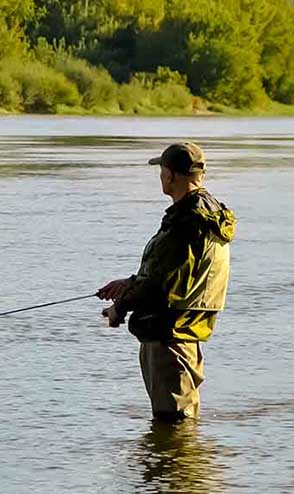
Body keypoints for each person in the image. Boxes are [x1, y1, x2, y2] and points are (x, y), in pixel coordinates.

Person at [98, 142, 235, 422]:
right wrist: (130, 282)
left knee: (174, 426)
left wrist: (118, 308)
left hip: (169, 338)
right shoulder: (208, 214)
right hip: (184, 333)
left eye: (162, 171)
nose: (160, 177)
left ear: (171, 175)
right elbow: (175, 273)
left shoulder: (186, 222)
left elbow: (159, 287)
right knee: (178, 425)